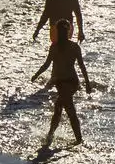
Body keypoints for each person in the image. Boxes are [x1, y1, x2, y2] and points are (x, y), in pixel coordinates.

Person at [32, 19, 93, 147]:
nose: (63, 33)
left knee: (68, 108)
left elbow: (82, 66)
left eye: (65, 31)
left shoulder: (74, 47)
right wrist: (36, 75)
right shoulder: (54, 48)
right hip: (59, 82)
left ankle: (74, 139)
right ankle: (54, 136)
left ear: (68, 31)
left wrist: (87, 83)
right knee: (59, 108)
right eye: (62, 31)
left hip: (71, 82)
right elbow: (47, 64)